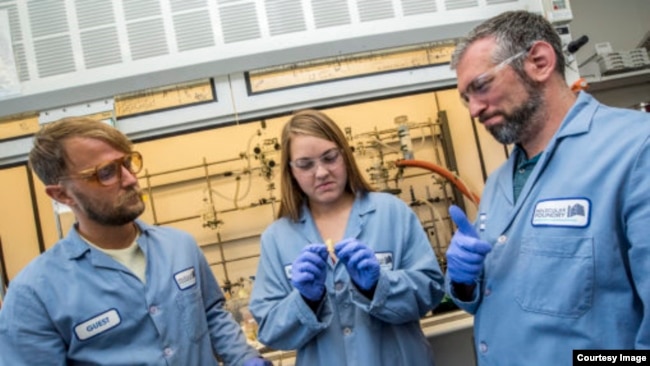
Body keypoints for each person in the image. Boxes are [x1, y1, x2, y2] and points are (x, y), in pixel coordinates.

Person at [445, 10, 650, 365]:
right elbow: (499, 297)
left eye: (480, 86)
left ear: (539, 62)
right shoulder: (498, 183)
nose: (474, 110)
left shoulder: (635, 150)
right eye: (466, 98)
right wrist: (465, 282)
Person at [0, 117, 271, 366]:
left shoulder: (180, 247)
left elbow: (211, 315)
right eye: (106, 172)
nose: (130, 180)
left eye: (127, 164)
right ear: (62, 195)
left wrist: (244, 358)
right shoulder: (34, 295)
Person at [248, 109, 445, 365]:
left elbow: (431, 291)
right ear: (291, 171)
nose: (321, 172)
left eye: (330, 158)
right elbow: (269, 329)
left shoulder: (390, 212)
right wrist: (306, 300)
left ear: (345, 154)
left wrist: (377, 287)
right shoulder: (277, 238)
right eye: (306, 165)